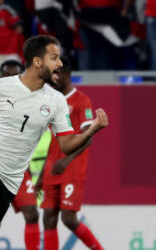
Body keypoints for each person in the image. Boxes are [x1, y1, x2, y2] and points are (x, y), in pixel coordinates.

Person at [0, 34, 109, 250]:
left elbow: (66, 145)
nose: (60, 64)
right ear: (37, 61)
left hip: (10, 181)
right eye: (54, 58)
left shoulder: (56, 101)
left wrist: (92, 130)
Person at [34, 57, 103, 250]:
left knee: (68, 218)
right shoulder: (52, 102)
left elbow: (88, 135)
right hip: (51, 169)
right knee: (48, 217)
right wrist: (40, 175)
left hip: (72, 168)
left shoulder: (81, 100)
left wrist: (67, 160)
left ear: (67, 74)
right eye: (52, 74)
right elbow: (51, 141)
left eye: (56, 74)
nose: (53, 78)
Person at [0, 60, 41, 250]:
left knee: (32, 213)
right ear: (0, 77)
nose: (11, 79)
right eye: (7, 75)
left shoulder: (30, 104)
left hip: (19, 169)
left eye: (15, 75)